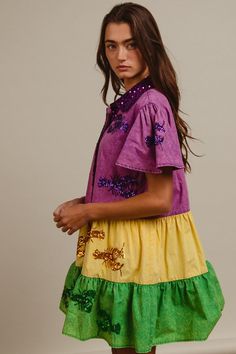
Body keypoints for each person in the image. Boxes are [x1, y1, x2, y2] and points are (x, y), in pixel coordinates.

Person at [53, 3, 225, 354]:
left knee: (131, 348)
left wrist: (88, 213)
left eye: (131, 44)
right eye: (111, 46)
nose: (121, 55)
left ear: (150, 45)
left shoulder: (148, 104)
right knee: (128, 346)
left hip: (139, 243)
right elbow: (128, 184)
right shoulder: (130, 103)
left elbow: (159, 200)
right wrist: (85, 200)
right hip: (124, 239)